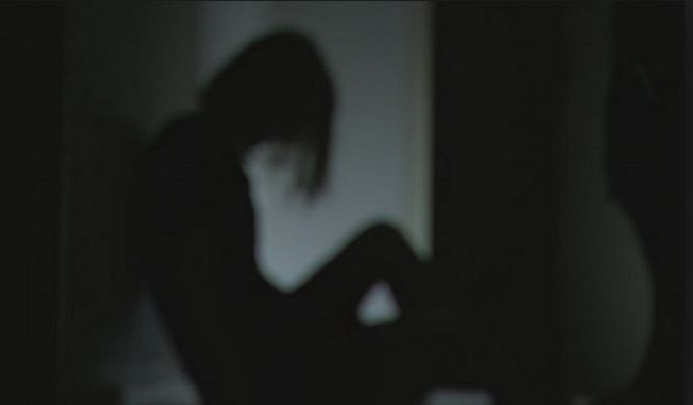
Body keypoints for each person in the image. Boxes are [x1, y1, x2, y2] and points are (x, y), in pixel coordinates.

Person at [138, 30, 515, 404]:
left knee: (407, 314)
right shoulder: (194, 151)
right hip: (267, 361)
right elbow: (199, 293)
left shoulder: (199, 149)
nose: (284, 137)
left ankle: (472, 358)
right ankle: (487, 367)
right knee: (386, 257)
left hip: (268, 349)